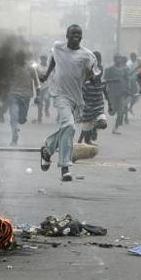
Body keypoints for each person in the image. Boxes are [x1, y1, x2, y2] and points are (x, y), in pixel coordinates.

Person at [39, 25, 98, 182]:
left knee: (66, 127)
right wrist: (46, 74)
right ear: (67, 35)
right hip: (60, 94)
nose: (76, 36)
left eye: (79, 34)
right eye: (73, 33)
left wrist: (92, 78)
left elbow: (92, 73)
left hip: (76, 98)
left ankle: (47, 150)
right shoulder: (58, 47)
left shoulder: (87, 55)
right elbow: (54, 58)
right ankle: (65, 167)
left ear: (81, 37)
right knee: (69, 126)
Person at [6, 52, 37, 145]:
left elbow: (37, 82)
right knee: (13, 115)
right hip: (14, 94)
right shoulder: (12, 69)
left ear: (24, 59)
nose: (18, 60)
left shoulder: (30, 69)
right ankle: (14, 135)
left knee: (22, 119)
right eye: (17, 58)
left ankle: (16, 127)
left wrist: (38, 95)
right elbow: (6, 82)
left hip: (26, 96)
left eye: (20, 58)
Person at [77, 51, 107, 145]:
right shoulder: (84, 83)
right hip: (87, 110)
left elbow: (104, 90)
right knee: (86, 136)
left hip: (98, 108)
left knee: (103, 124)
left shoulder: (100, 71)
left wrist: (109, 103)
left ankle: (94, 129)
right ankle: (82, 141)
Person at [103, 54, 129, 135]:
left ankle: (115, 128)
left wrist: (128, 89)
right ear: (114, 60)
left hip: (122, 93)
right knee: (112, 112)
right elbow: (105, 80)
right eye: (117, 58)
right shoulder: (109, 69)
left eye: (120, 58)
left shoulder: (125, 70)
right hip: (112, 93)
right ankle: (111, 110)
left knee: (121, 112)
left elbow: (127, 79)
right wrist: (114, 80)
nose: (119, 60)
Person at [34, 55, 51, 123]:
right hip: (40, 86)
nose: (43, 60)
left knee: (47, 100)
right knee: (40, 102)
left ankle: (46, 110)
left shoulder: (49, 66)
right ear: (40, 59)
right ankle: (39, 116)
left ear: (46, 59)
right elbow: (35, 75)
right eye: (42, 59)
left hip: (47, 86)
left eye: (44, 59)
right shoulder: (37, 67)